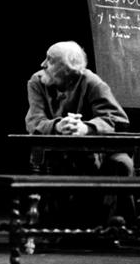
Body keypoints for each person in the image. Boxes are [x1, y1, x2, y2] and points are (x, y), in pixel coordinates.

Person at [25, 40, 134, 225]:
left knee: (122, 163)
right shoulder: (37, 82)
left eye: (50, 60)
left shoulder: (91, 82)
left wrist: (86, 128)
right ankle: (55, 224)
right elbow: (33, 122)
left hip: (96, 152)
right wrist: (58, 126)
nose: (43, 64)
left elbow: (118, 119)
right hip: (55, 151)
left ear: (67, 68)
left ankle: (120, 226)